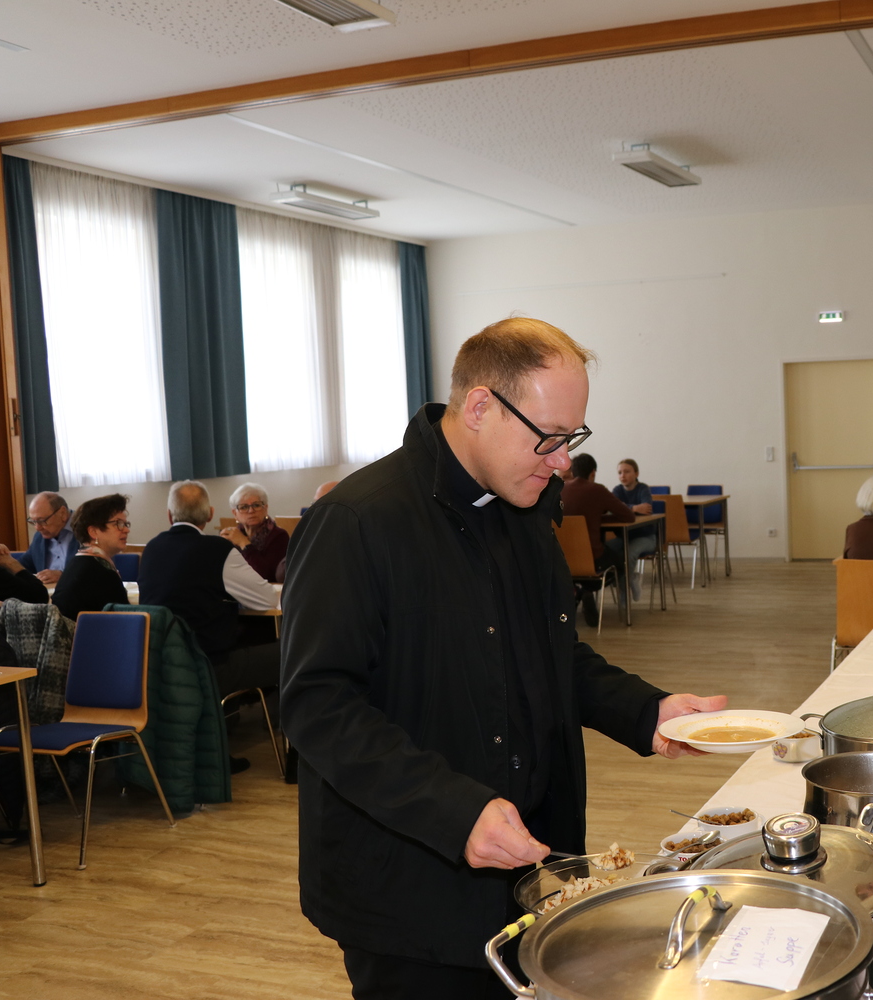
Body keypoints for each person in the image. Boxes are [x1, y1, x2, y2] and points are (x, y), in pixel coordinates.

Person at [279, 316, 725, 999]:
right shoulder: (358, 521)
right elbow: (318, 706)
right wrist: (453, 811)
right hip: (410, 889)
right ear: (480, 406)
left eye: (573, 438)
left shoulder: (526, 508)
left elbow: (552, 655)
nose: (562, 462)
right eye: (548, 437)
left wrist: (648, 711)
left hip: (530, 867)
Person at [140, 481, 280, 775]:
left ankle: (220, 734)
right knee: (290, 651)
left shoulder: (152, 548)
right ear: (210, 514)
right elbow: (266, 598)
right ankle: (293, 747)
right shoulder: (216, 550)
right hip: (209, 664)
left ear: (169, 515)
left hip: (162, 663)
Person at [560, 452, 635, 625]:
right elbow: (628, 516)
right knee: (620, 561)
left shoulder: (559, 490)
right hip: (594, 559)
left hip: (562, 560)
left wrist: (596, 518)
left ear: (572, 471)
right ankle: (587, 590)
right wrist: (599, 518)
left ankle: (577, 589)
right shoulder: (597, 490)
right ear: (593, 473)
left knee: (578, 566)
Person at [50, 493, 131, 621]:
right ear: (93, 532)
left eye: (126, 524)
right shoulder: (100, 572)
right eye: (118, 524)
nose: (126, 530)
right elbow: (125, 622)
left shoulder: (79, 562)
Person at [607, 458, 657, 602]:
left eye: (627, 472)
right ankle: (630, 579)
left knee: (630, 554)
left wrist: (624, 508)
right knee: (606, 550)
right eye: (620, 472)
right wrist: (634, 508)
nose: (623, 475)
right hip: (623, 536)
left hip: (646, 537)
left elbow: (646, 508)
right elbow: (613, 509)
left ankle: (623, 592)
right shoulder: (617, 490)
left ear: (636, 473)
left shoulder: (643, 489)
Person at [219, 482, 288, 583]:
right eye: (243, 507)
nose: (251, 511)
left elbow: (266, 575)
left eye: (256, 505)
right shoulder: (232, 536)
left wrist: (245, 544)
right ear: (235, 513)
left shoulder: (279, 536)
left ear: (265, 509)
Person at [19, 491, 77, 585]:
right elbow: (25, 565)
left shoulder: (89, 531)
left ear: (62, 513)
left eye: (42, 521)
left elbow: (99, 571)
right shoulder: (40, 536)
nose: (37, 528)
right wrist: (6, 561)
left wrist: (64, 576)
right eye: (33, 521)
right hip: (47, 592)